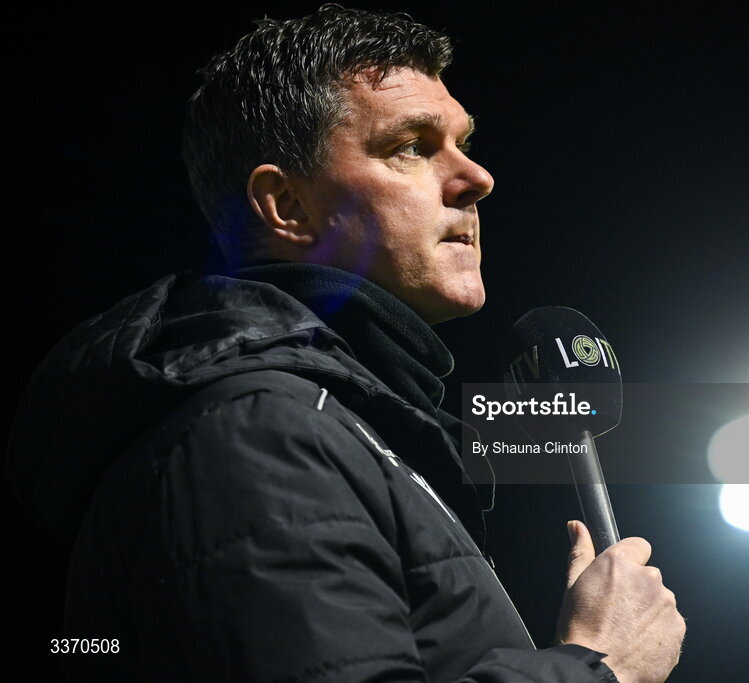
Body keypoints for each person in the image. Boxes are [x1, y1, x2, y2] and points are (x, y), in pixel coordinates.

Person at [8, 5, 685, 681]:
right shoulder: (259, 432)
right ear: (287, 207)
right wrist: (601, 665)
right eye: (413, 146)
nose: (478, 178)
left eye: (464, 143)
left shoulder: (332, 427)